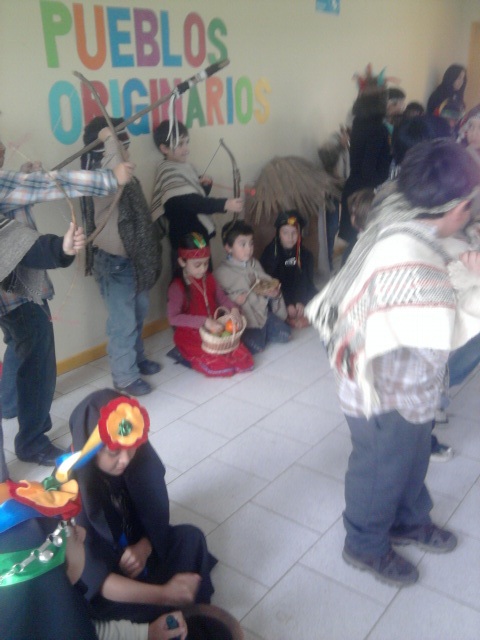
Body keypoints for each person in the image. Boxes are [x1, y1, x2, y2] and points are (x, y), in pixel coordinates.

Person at [306, 139, 480, 587]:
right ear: (454, 207)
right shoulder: (410, 266)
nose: (471, 212)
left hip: (406, 375)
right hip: (379, 382)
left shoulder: (402, 203)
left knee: (413, 453)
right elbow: (448, 329)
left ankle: (408, 519)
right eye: (470, 204)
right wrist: (475, 279)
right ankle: (363, 543)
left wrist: (463, 257)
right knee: (381, 467)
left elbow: (447, 246)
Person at [0, 143, 134, 467]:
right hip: (18, 295)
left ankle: (9, 404)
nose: (3, 148)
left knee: (20, 344)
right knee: (38, 360)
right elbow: (54, 184)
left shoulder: (6, 183)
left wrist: (22, 178)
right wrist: (110, 178)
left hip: (9, 296)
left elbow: (20, 196)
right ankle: (32, 441)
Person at [69, 388, 217, 623]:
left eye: (132, 446)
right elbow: (95, 577)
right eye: (114, 452)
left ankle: (169, 611)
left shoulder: (138, 461)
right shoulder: (71, 492)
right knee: (102, 616)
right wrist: (165, 594)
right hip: (112, 579)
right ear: (90, 450)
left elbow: (156, 515)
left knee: (192, 538)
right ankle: (169, 607)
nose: (125, 459)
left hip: (142, 556)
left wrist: (145, 547)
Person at [81, 117, 162, 398]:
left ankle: (136, 360)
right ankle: (125, 377)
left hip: (134, 263)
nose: (127, 151)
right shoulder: (100, 181)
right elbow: (111, 167)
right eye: (120, 146)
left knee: (137, 315)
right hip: (114, 265)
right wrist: (107, 136)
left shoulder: (126, 178)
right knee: (123, 323)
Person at [150, 120, 243, 270]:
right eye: (180, 144)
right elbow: (188, 202)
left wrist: (203, 187)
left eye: (187, 142)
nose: (186, 149)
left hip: (199, 238)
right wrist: (224, 204)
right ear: (164, 148)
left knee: (205, 276)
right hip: (185, 241)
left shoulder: (185, 167)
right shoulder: (167, 171)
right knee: (188, 280)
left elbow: (193, 199)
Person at [167, 232, 254, 377]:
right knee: (220, 365)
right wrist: (204, 322)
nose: (203, 269)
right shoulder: (177, 287)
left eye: (206, 263)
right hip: (191, 334)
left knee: (242, 358)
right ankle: (181, 353)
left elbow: (222, 298)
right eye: (197, 265)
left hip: (215, 328)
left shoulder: (209, 278)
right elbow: (173, 318)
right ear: (182, 262)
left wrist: (233, 309)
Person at [215, 221, 291, 354]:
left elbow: (265, 283)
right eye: (243, 244)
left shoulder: (254, 263)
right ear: (228, 248)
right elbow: (218, 299)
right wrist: (234, 299)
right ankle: (259, 336)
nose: (249, 249)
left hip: (263, 314)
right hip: (246, 320)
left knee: (286, 334)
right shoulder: (221, 273)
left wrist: (273, 294)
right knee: (257, 347)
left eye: (251, 243)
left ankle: (264, 331)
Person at [339, 71, 391, 262]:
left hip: (353, 187)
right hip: (364, 195)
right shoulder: (379, 130)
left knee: (354, 246)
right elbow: (369, 169)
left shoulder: (359, 122)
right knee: (361, 250)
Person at [260, 211, 317, 328]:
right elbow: (271, 282)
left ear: (299, 233)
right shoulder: (271, 253)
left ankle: (301, 316)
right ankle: (290, 318)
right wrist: (288, 303)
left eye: (294, 233)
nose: (290, 237)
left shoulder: (306, 255)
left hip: (298, 291)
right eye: (285, 233)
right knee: (268, 302)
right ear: (278, 233)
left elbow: (306, 281)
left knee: (320, 298)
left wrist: (301, 301)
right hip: (280, 293)